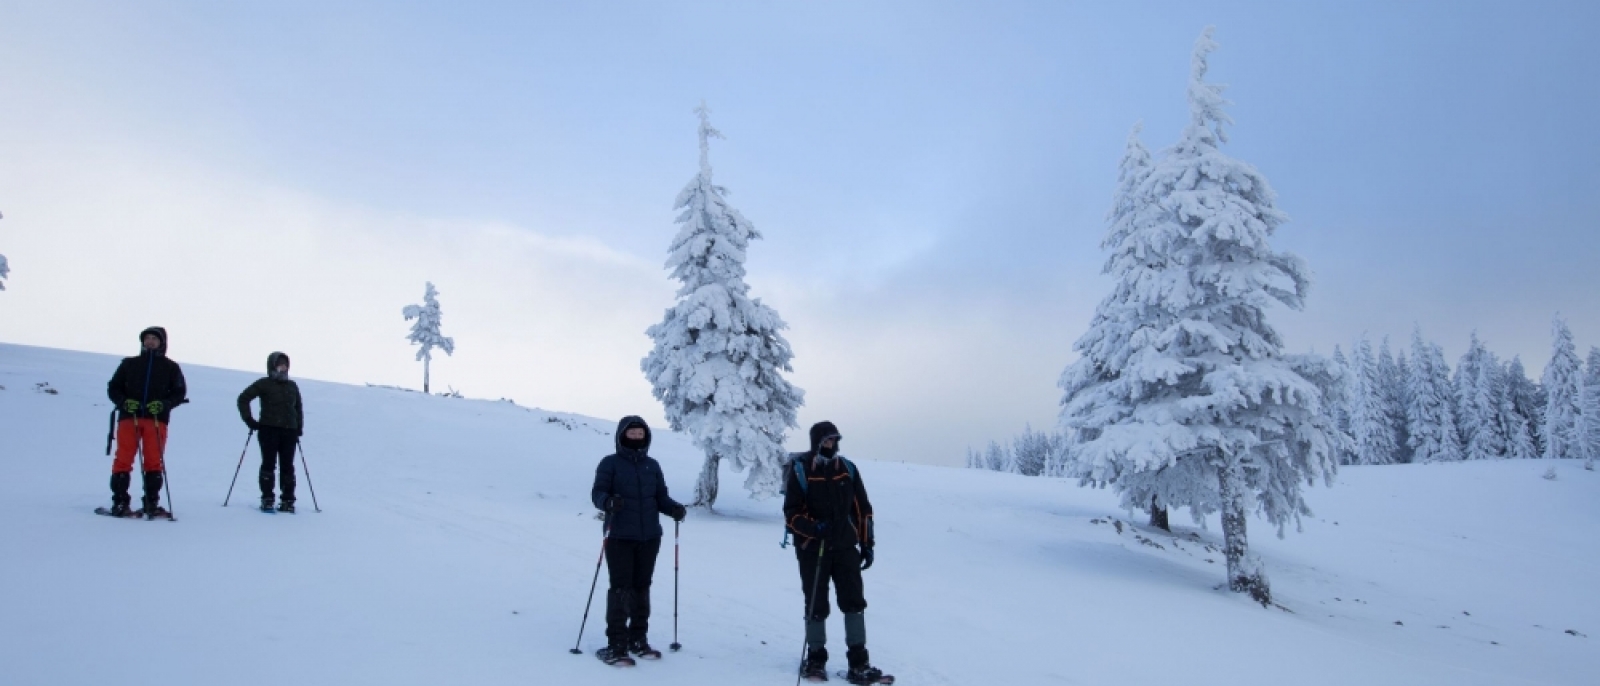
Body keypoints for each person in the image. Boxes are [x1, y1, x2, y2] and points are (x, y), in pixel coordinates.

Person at [784, 421, 887, 684]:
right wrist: (813, 527)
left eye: (834, 439)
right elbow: (791, 513)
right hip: (812, 548)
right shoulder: (801, 470)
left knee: (854, 601)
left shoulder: (847, 469)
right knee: (816, 603)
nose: (831, 444)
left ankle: (859, 663)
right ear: (816, 442)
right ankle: (816, 659)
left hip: (844, 547)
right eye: (826, 440)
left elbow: (863, 509)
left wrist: (867, 543)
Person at [590, 416, 686, 666]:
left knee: (642, 587)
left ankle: (638, 639)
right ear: (622, 436)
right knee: (621, 588)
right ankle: (616, 644)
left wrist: (673, 508)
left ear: (646, 437)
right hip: (619, 535)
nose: (635, 437)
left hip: (650, 536)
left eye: (639, 433)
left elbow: (660, 497)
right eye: (631, 433)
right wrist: (608, 502)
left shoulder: (652, 465)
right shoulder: (610, 463)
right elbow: (598, 493)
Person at [104, 327, 188, 518]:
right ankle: (120, 503)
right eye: (147, 338)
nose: (150, 341)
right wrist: (124, 402)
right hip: (129, 418)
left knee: (154, 461)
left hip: (156, 420)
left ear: (162, 343)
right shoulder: (129, 364)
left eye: (154, 338)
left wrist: (164, 404)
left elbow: (179, 392)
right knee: (123, 459)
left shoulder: (171, 367)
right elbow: (113, 387)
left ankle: (151, 503)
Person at [237, 352, 305, 512]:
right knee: (269, 464)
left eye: (285, 364)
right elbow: (243, 398)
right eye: (279, 364)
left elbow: (298, 408)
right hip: (268, 430)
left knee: (288, 466)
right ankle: (267, 498)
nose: (283, 367)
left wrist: (298, 428)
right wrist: (249, 420)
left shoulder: (292, 386)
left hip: (289, 431)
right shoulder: (264, 384)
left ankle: (288, 500)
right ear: (272, 366)